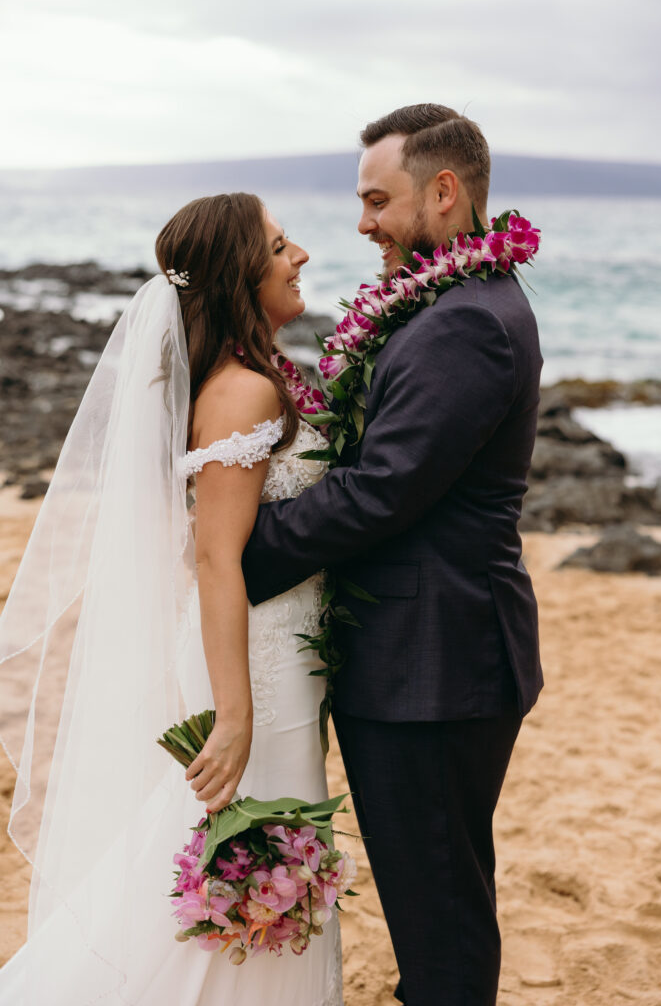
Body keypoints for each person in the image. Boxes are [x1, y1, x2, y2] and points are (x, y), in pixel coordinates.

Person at [0, 194, 343, 1004]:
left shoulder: (245, 378)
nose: (301, 257)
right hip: (252, 665)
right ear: (238, 274)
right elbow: (216, 559)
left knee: (255, 856)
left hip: (270, 651)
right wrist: (235, 714)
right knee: (252, 856)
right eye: (280, 245)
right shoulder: (242, 391)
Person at [242, 104, 544, 1006]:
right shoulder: (446, 303)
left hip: (436, 664)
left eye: (379, 199)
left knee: (440, 919)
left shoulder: (467, 323)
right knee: (438, 901)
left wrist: (235, 559)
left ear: (443, 193)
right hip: (424, 656)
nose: (363, 222)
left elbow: (379, 488)